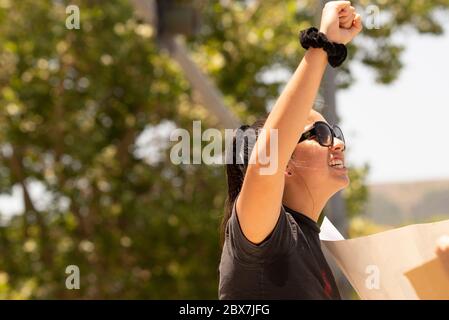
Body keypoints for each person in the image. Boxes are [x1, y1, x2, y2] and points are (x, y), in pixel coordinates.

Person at [218, 1, 449, 299]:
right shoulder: (264, 236)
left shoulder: (310, 242)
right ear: (285, 163)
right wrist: (322, 45)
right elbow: (267, 160)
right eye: (322, 134)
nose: (338, 143)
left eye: (336, 132)